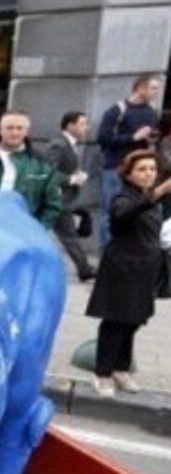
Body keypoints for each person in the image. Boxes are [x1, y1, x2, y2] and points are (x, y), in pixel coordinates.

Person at [84, 150, 171, 397]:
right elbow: (123, 215)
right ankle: (102, 374)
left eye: (152, 169)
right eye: (142, 169)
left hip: (147, 268)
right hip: (122, 269)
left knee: (133, 321)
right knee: (115, 321)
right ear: (129, 173)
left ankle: (121, 368)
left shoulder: (149, 198)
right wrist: (159, 193)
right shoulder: (123, 197)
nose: (148, 174)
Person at [96, 75, 161, 250]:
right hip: (116, 167)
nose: (156, 92)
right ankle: (107, 253)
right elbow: (103, 138)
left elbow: (153, 136)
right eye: (153, 88)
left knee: (140, 210)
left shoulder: (152, 111)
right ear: (140, 88)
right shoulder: (117, 110)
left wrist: (151, 139)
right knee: (111, 211)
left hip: (141, 168)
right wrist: (133, 137)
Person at [44, 110, 97, 282]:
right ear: (70, 125)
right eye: (83, 124)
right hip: (56, 199)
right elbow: (47, 171)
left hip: (61, 199)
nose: (86, 128)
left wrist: (77, 175)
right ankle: (84, 269)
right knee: (69, 236)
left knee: (67, 235)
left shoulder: (68, 143)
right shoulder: (59, 144)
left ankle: (84, 268)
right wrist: (72, 179)